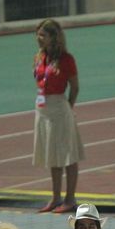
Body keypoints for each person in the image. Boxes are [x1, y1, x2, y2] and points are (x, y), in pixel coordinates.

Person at [31, 18, 82, 213]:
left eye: (43, 34)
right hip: (43, 108)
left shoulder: (66, 59)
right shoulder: (39, 57)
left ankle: (70, 198)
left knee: (67, 154)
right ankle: (55, 197)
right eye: (38, 34)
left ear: (54, 36)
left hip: (59, 106)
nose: (39, 38)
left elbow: (75, 86)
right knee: (51, 155)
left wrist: (68, 106)